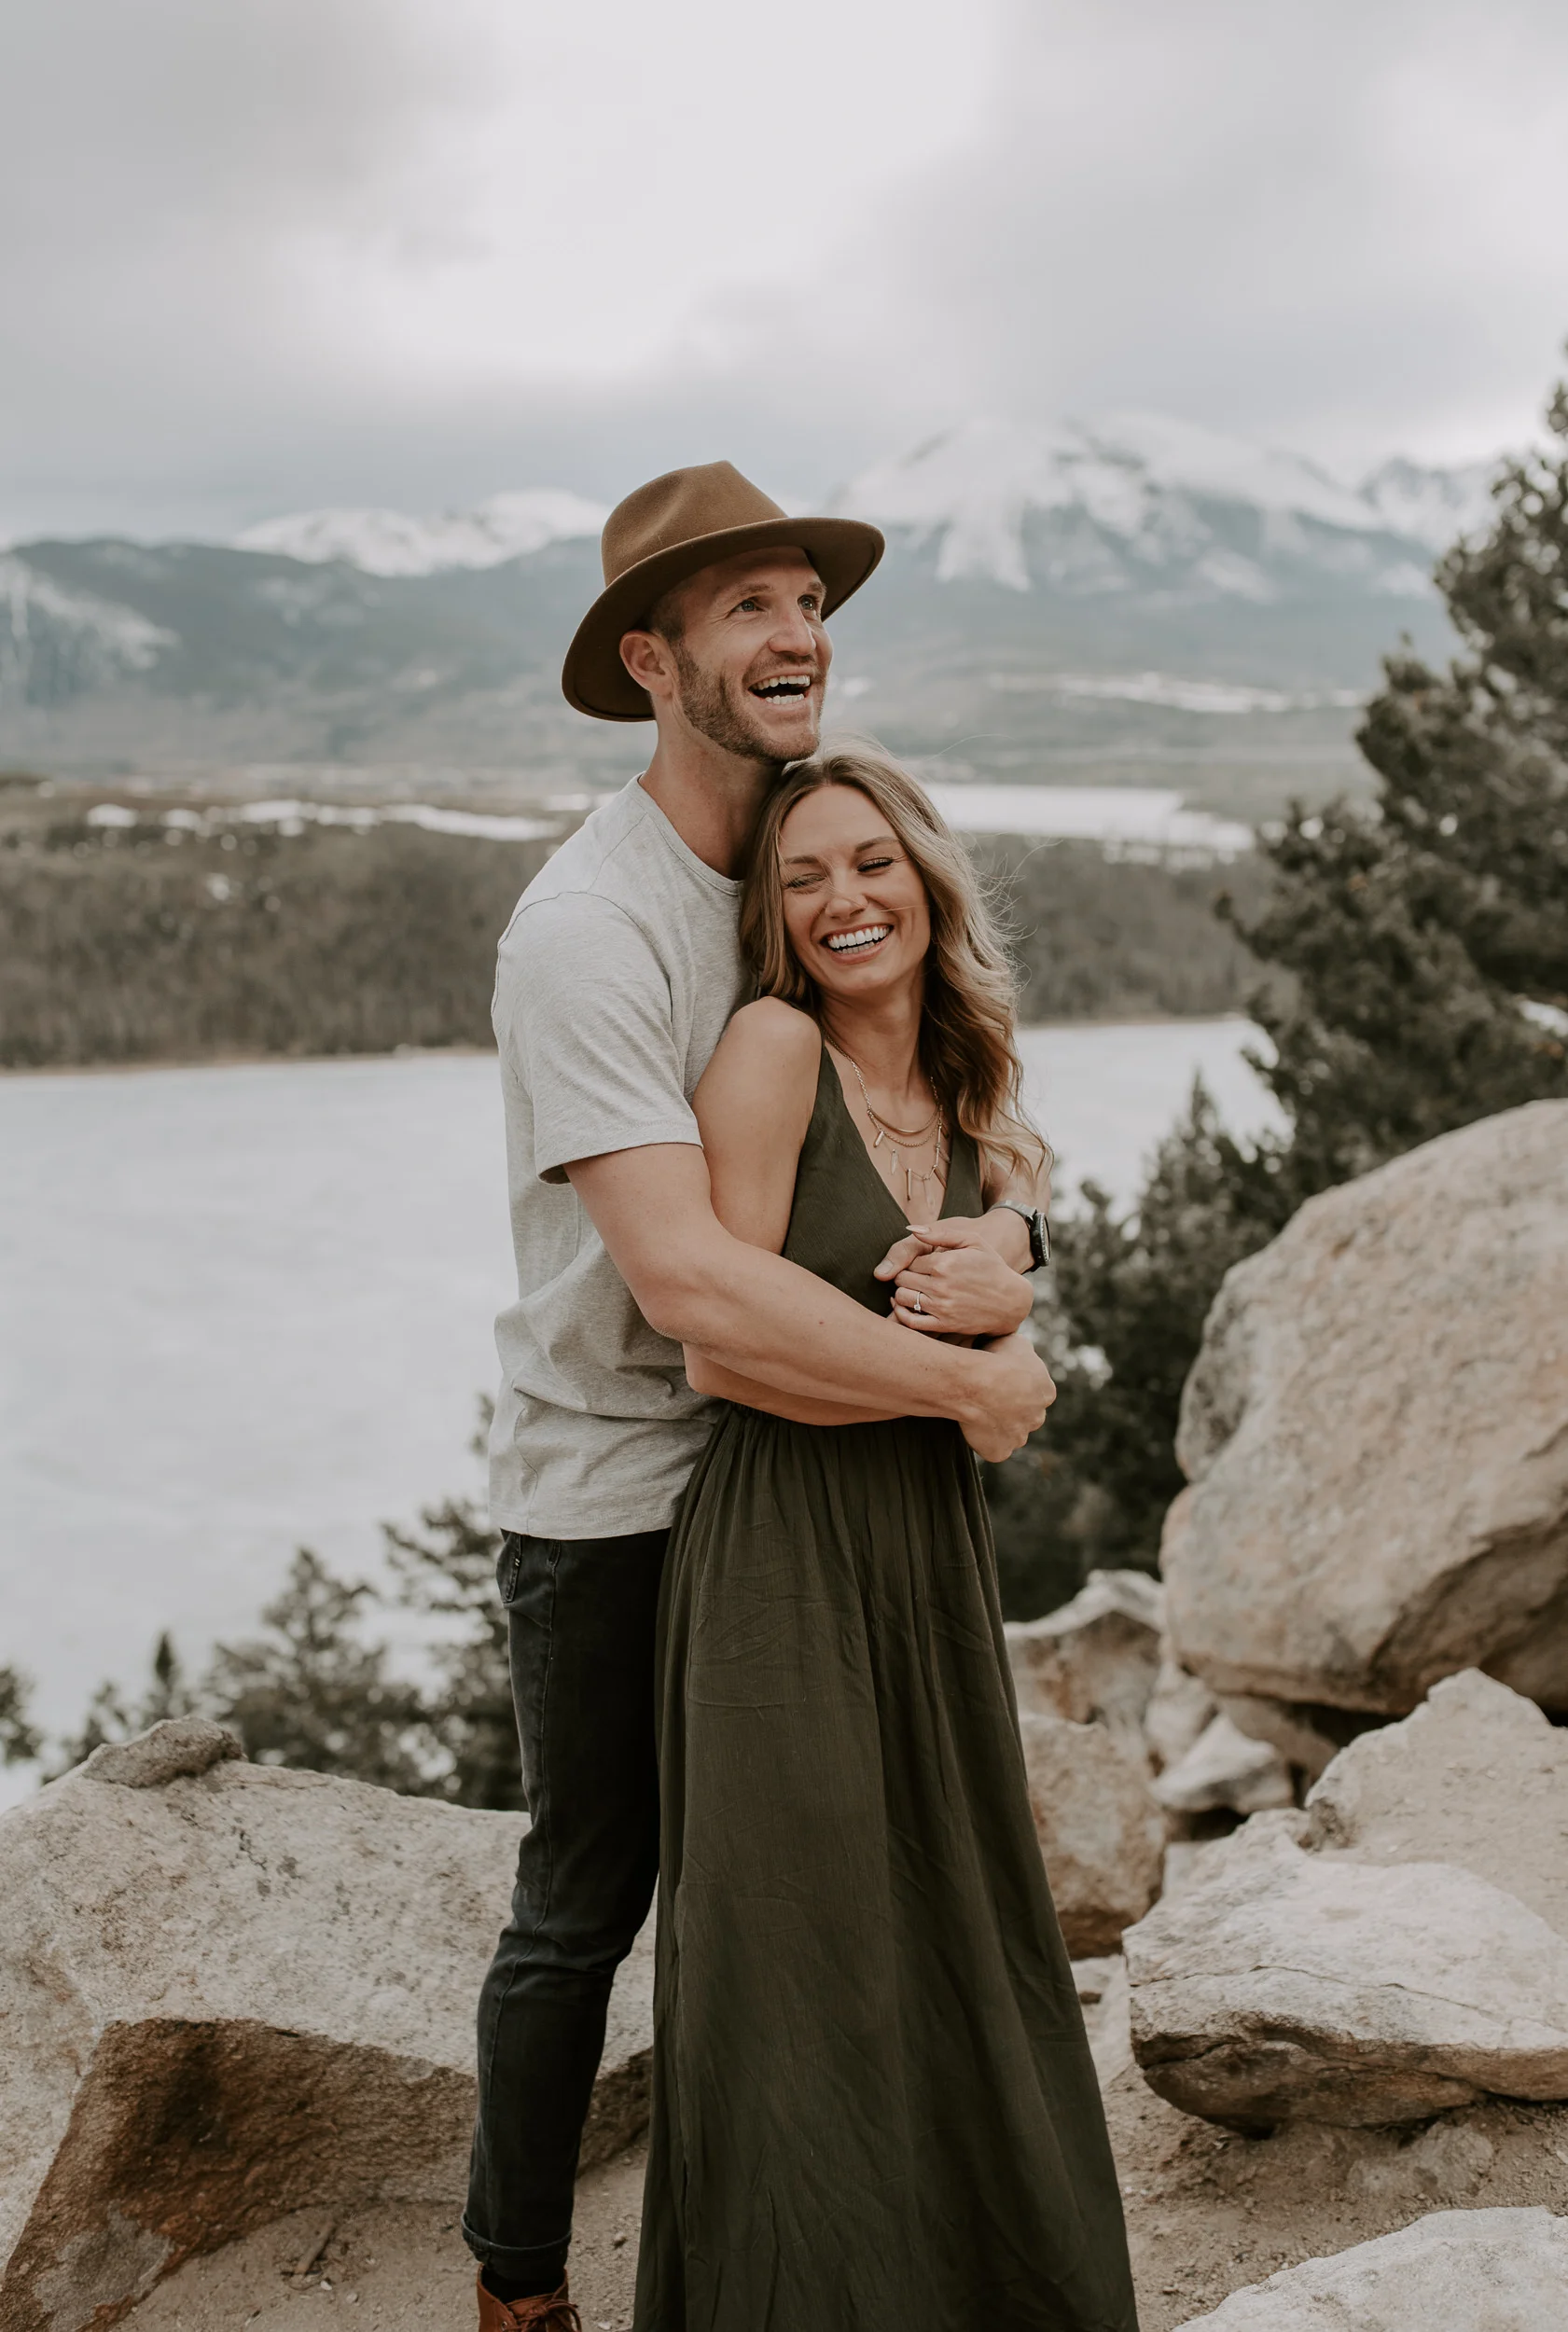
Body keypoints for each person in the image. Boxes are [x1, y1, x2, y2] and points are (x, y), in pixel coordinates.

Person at [469, 463, 1058, 2332]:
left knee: (829, 1905)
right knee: (591, 1896)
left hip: (800, 1490)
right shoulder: (591, 928)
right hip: (622, 1494)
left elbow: (933, 1116)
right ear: (653, 661)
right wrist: (975, 1397)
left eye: (807, 597)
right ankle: (518, 2284)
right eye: (745, 607)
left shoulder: (807, 857)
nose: (797, 631)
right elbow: (694, 1286)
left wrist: (1028, 1261)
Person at [633, 746, 1139, 2332]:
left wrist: (1017, 1249)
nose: (845, 901)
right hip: (782, 1550)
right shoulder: (774, 1049)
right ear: (777, 926)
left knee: (954, 1930)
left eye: (870, 864)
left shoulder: (971, 1080)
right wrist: (980, 1386)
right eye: (804, 880)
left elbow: (1021, 1207)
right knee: (796, 1971)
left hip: (927, 1553)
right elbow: (720, 1345)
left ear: (926, 879)